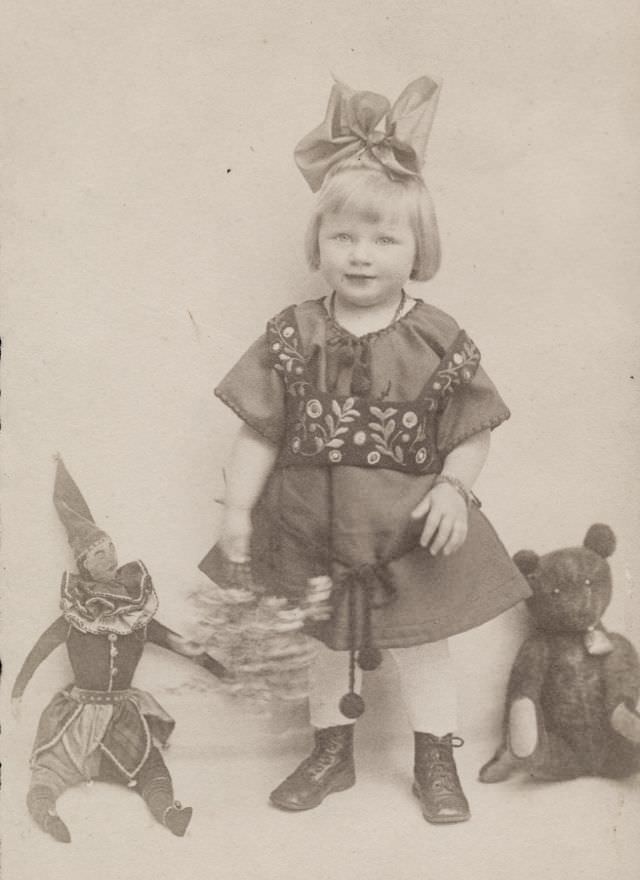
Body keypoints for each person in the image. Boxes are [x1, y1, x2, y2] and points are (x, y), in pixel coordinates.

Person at [199, 75, 530, 824]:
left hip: (407, 533)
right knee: (321, 644)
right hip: (311, 525)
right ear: (318, 241)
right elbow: (258, 429)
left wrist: (454, 489)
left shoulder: (436, 336)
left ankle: (434, 759)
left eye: (385, 238)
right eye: (343, 236)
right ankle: (330, 753)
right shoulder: (293, 333)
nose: (361, 255)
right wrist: (239, 514)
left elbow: (471, 429)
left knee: (423, 649)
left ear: (419, 249)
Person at [12, 457, 227, 843]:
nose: (108, 556)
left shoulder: (138, 613)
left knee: (151, 764)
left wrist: (220, 669)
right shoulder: (75, 615)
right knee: (50, 770)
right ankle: (45, 812)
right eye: (97, 553)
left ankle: (167, 811)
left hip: (122, 714)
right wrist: (17, 690)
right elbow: (40, 649)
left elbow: (181, 644)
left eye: (109, 547)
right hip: (76, 717)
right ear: (83, 564)